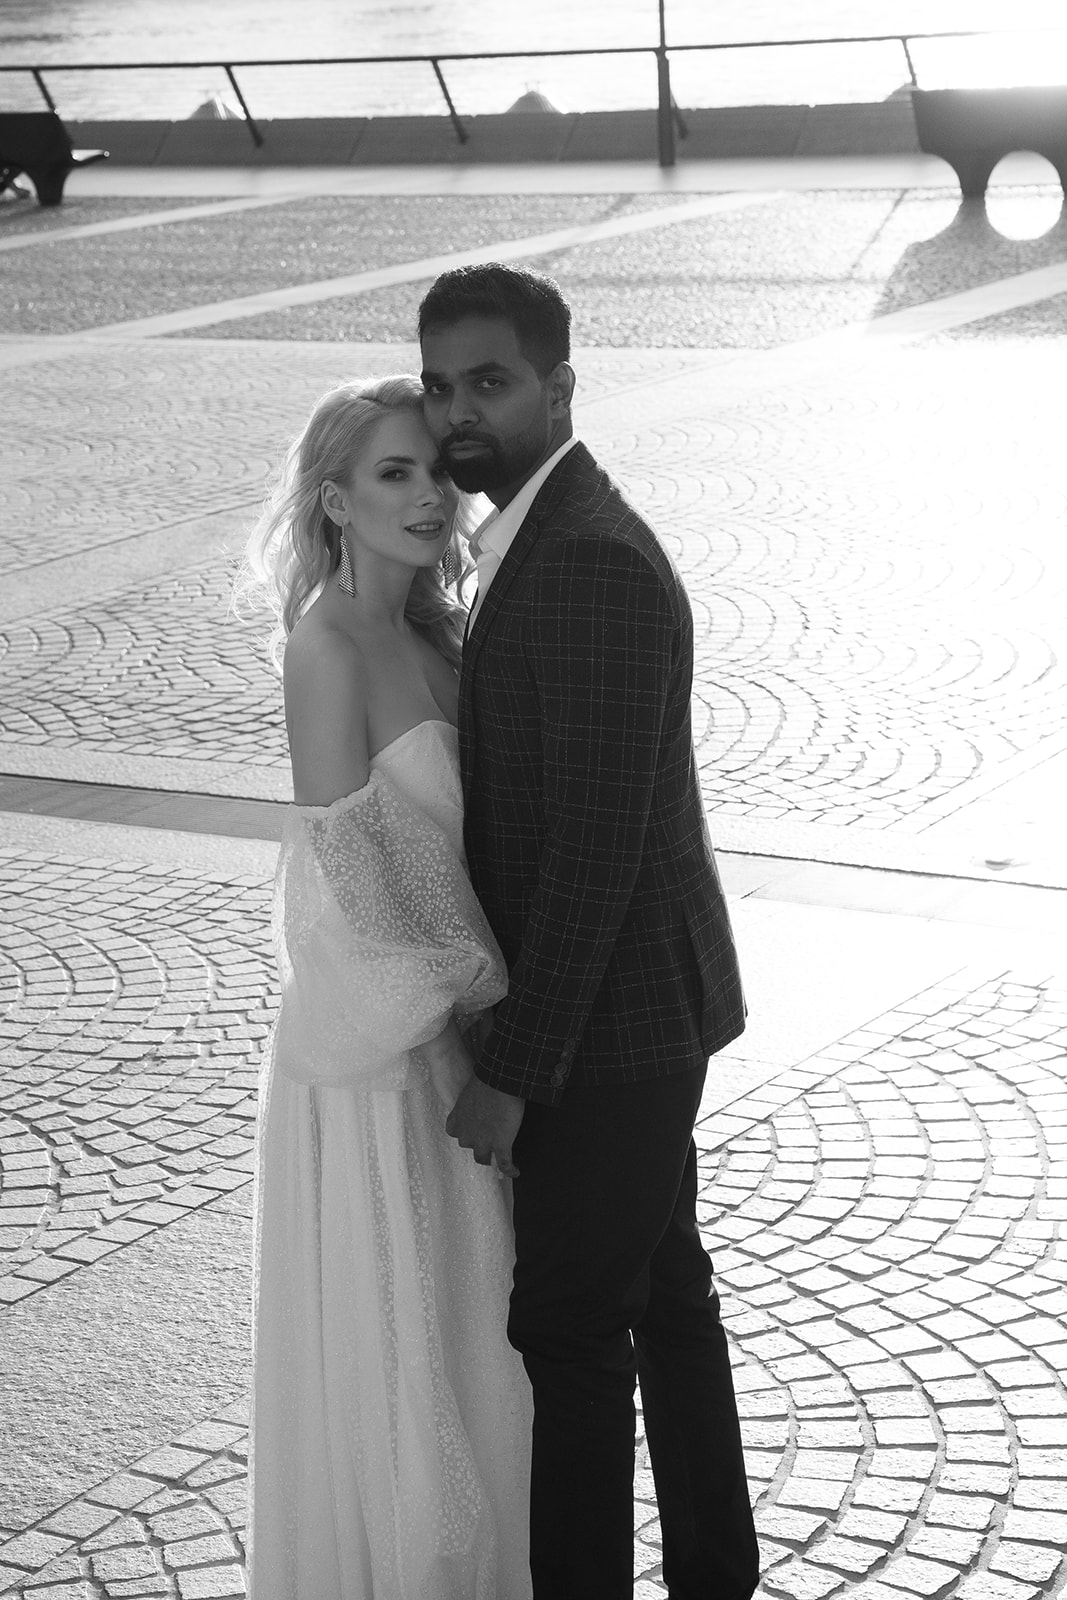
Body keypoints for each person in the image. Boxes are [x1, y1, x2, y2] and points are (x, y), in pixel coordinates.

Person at [419, 264, 761, 1600]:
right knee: (663, 1295)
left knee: (564, 1329)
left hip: (618, 1026)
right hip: (627, 1009)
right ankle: (715, 1572)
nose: (458, 412)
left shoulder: (589, 561)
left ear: (558, 387)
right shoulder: (532, 535)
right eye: (439, 385)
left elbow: (595, 851)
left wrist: (513, 1070)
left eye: (488, 382)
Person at [236, 375, 533, 1600]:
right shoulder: (326, 647)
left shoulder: (434, 633)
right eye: (392, 474)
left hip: (457, 1030)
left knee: (477, 1339)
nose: (428, 497)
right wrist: (476, 1004)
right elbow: (347, 878)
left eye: (433, 472)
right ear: (333, 501)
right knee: (405, 1354)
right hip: (382, 1053)